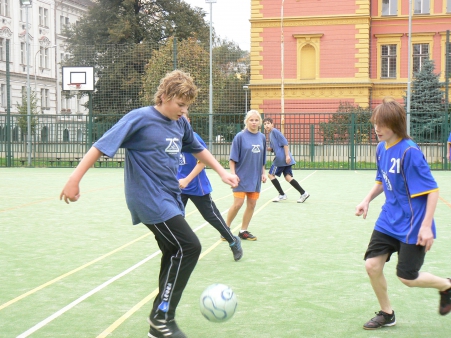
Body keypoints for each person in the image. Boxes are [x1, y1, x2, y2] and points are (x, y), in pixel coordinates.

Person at [60, 70, 239, 338]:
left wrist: (222, 171)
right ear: (165, 96)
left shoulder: (180, 123)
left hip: (170, 198)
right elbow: (100, 145)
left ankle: (158, 324)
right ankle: (162, 318)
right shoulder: (140, 118)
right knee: (190, 246)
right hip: (148, 199)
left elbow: (197, 148)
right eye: (180, 104)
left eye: (187, 106)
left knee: (173, 252)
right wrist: (74, 179)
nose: (183, 110)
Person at [355, 97, 451, 330]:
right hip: (389, 218)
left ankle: (446, 285)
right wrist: (367, 199)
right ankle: (387, 314)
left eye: (381, 124)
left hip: (414, 224)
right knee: (371, 266)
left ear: (396, 124)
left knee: (407, 277)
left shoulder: (410, 153)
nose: (376, 129)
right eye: (375, 123)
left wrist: (427, 226)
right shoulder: (381, 148)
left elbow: (433, 191)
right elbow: (382, 180)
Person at [177, 111, 243, 261]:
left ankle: (233, 241)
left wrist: (187, 179)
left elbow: (202, 162)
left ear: (188, 120)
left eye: (183, 118)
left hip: (196, 186)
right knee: (175, 218)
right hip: (179, 186)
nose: (179, 120)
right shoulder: (172, 139)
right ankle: (179, 249)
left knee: (211, 216)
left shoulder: (193, 138)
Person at [224, 110, 267, 241]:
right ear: (246, 121)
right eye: (251, 120)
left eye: (256, 120)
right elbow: (232, 159)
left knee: (252, 204)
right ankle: (225, 229)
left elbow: (262, 159)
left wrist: (263, 173)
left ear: (259, 122)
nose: (254, 122)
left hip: (255, 178)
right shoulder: (240, 136)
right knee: (238, 204)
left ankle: (243, 231)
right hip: (241, 177)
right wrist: (233, 174)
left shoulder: (262, 137)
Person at [263, 117, 310, 203]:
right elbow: (273, 148)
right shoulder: (271, 134)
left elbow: (285, 143)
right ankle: (303, 193)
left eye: (268, 123)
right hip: (284, 158)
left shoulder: (274, 131)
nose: (266, 125)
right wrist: (264, 148)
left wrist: (287, 156)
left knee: (270, 175)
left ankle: (282, 194)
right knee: (288, 177)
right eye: (265, 124)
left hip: (282, 158)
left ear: (272, 124)